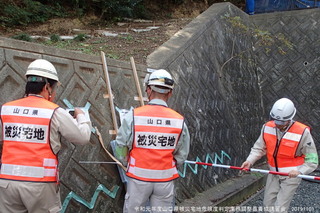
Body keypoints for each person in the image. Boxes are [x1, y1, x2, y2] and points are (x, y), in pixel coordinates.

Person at [0, 59, 92, 213]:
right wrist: (82, 116)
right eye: (54, 88)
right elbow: (83, 137)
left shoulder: (6, 109)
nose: (54, 93)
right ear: (47, 87)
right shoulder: (54, 111)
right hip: (40, 185)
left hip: (7, 183)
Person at [115, 69, 190, 213]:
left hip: (138, 177)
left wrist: (125, 161)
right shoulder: (179, 120)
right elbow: (182, 154)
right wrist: (172, 163)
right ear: (170, 93)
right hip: (165, 178)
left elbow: (120, 145)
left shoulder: (134, 116)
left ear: (148, 90)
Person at [241, 98, 318, 213]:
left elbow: (312, 159)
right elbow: (259, 148)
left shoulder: (302, 132)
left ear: (290, 119)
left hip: (291, 175)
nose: (278, 125)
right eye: (276, 121)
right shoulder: (267, 127)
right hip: (273, 173)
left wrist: (300, 171)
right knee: (267, 206)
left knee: (279, 209)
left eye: (282, 122)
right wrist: (250, 161)